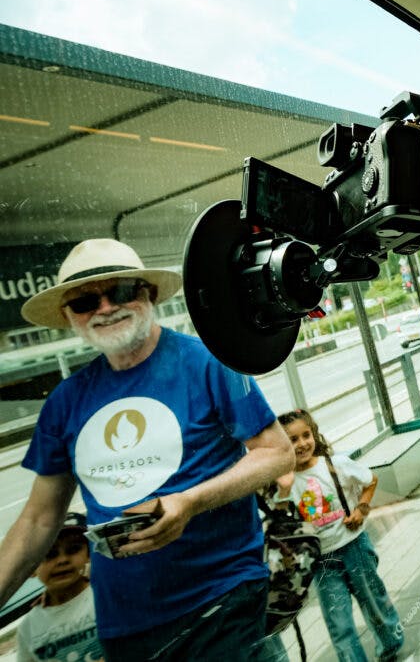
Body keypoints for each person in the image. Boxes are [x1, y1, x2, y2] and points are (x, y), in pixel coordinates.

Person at [0, 238, 295, 660]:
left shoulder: (208, 361)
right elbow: (38, 519)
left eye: (120, 292)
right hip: (126, 625)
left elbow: (276, 453)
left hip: (221, 599)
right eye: (84, 302)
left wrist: (189, 502)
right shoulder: (64, 403)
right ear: (69, 317)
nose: (104, 308)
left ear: (148, 294)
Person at [273, 409, 404, 662]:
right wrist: (283, 487)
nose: (302, 444)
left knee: (374, 602)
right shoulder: (286, 482)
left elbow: (371, 480)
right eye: (292, 440)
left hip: (354, 546)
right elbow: (279, 518)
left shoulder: (335, 465)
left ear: (314, 435)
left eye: (306, 435)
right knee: (338, 621)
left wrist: (361, 509)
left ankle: (390, 647)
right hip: (322, 562)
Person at [16, 512, 102, 662]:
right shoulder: (28, 628)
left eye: (73, 549)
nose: (62, 560)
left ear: (90, 553)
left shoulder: (106, 596)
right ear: (30, 569)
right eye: (50, 554)